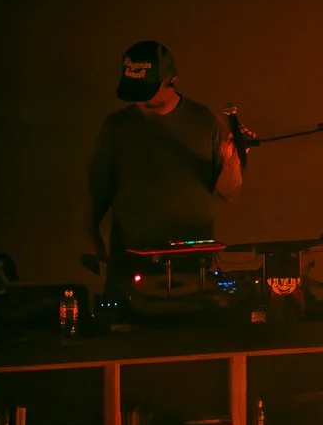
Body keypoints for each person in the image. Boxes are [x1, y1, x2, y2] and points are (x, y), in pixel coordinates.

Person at [83, 40, 241, 285]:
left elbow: (228, 190)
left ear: (171, 80)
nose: (140, 101)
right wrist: (92, 238)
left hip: (191, 256)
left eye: (147, 90)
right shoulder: (117, 126)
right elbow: (97, 189)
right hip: (131, 253)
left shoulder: (203, 120)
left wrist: (234, 153)